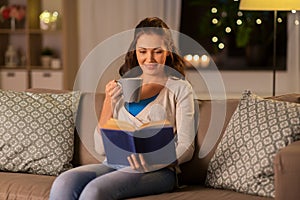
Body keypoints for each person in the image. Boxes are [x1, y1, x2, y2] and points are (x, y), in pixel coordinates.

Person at [50, 16, 197, 200]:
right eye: (142, 51)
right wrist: (108, 103)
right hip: (115, 164)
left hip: (159, 171)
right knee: (64, 181)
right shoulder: (123, 86)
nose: (149, 59)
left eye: (157, 51)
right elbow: (101, 148)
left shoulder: (180, 89)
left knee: (94, 191)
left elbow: (186, 146)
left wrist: (151, 161)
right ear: (135, 51)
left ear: (167, 51)